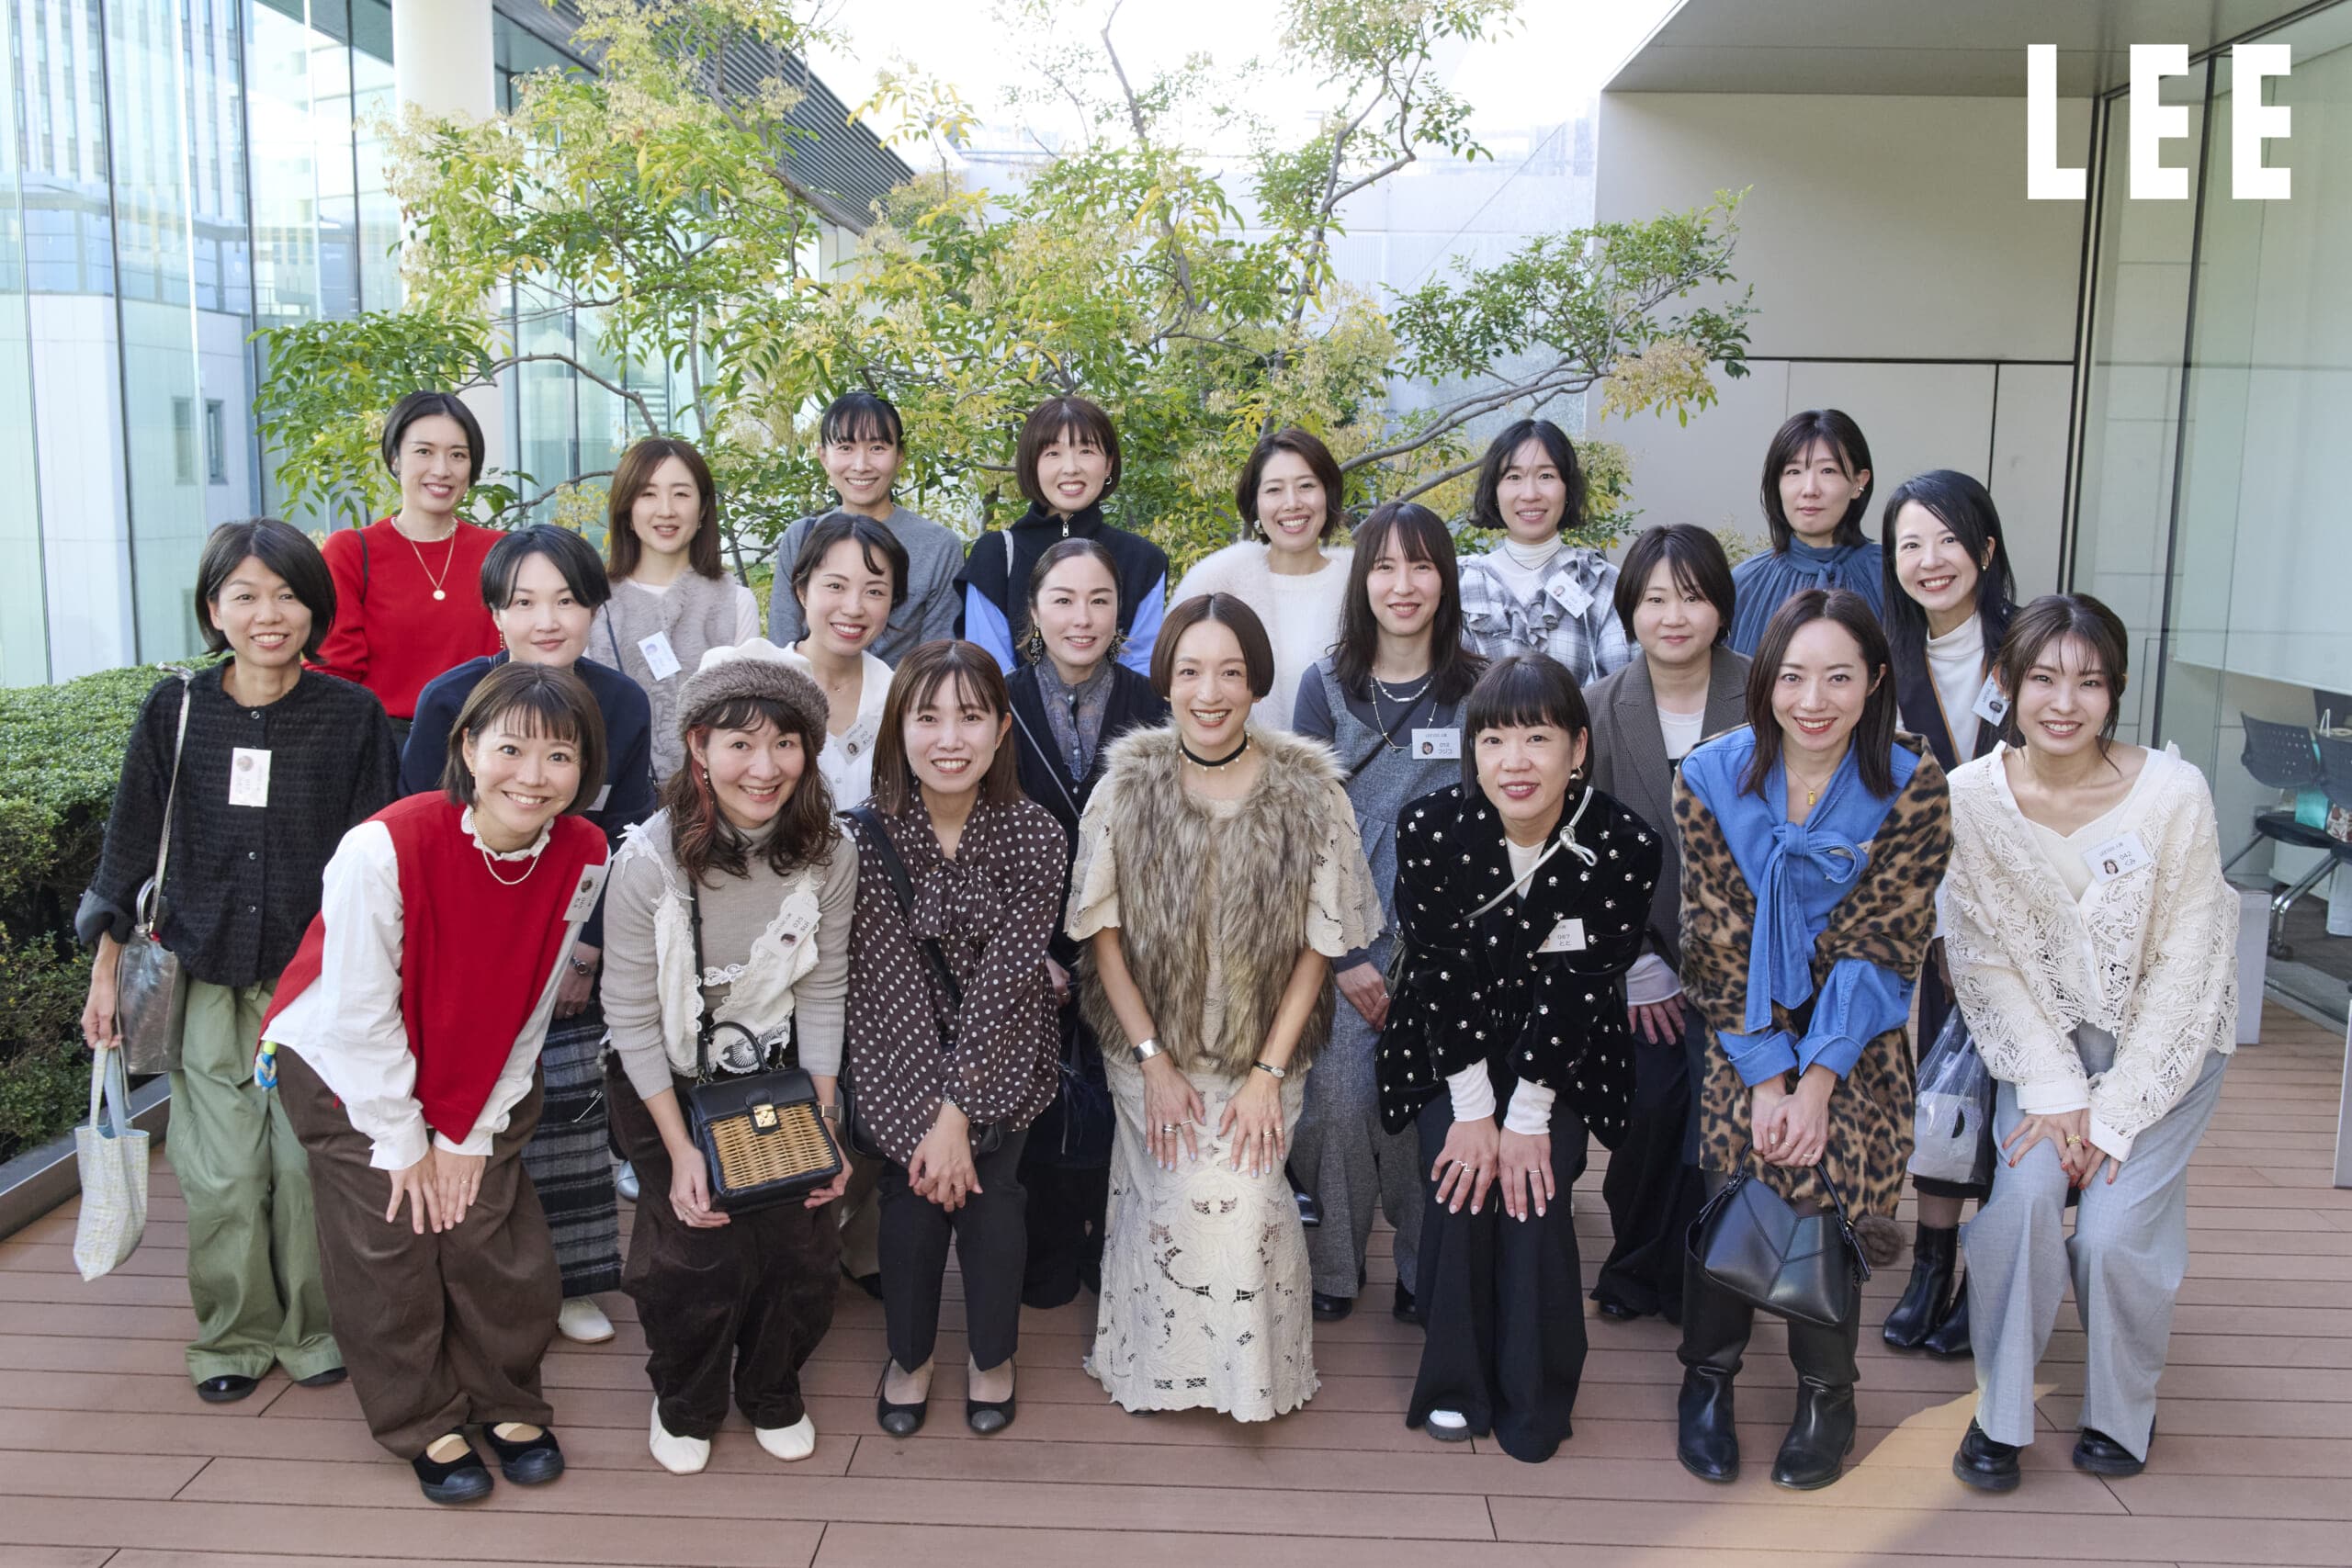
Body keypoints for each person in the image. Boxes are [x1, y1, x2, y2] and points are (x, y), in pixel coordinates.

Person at [261, 662, 610, 1504]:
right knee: (392, 1236)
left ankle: (504, 1396)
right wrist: (407, 1141)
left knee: (489, 1234)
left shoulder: (584, 852)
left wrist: (468, 1134)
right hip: (349, 1067)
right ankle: (420, 1416)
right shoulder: (385, 845)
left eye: (560, 756)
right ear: (467, 747)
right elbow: (359, 1013)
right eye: (511, 748)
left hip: (484, 1060)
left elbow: (535, 1002)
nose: (533, 775)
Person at [76, 519, 398, 1404]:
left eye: (288, 594)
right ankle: (232, 1333)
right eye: (245, 595)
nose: (269, 614)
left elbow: (381, 860)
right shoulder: (176, 708)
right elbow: (127, 848)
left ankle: (316, 1327)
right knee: (222, 1174)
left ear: (316, 609)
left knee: (305, 1168)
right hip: (203, 977)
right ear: (213, 609)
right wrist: (104, 974)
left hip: (314, 986)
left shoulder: (353, 716)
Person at [1942, 595, 2238, 1492]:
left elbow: (2190, 969)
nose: (2064, 703)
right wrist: (2057, 1091)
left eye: (2090, 682)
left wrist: (2110, 1118)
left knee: (2111, 1237)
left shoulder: (2174, 793)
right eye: (2042, 678)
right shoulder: (1970, 798)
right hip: (2037, 1059)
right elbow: (1982, 959)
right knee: (2025, 1204)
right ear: (2006, 682)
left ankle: (2121, 1410)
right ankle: (1998, 1414)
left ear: (2116, 691)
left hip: (2165, 1055)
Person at [1068, 593, 1382, 1421]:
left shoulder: (1311, 792)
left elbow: (1320, 946)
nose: (1209, 692)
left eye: (1231, 672)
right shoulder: (1125, 786)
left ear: (1256, 683)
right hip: (1150, 1046)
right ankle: (1153, 1365)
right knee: (1173, 1200)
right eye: (1191, 671)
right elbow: (1103, 938)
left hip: (1263, 1049)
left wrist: (1268, 1075)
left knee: (1245, 1208)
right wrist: (1152, 1062)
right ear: (1165, 680)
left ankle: (1252, 1379)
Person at [1671, 588, 1952, 1491]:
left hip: (1855, 1026)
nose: (1813, 700)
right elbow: (1713, 938)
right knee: (1735, 1172)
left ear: (1874, 681)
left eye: (1838, 677)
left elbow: (1885, 942)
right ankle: (1707, 1377)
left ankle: (1828, 1392)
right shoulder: (1710, 774)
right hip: (1743, 1019)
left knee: (1824, 1182)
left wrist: (1817, 1082)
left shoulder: (1912, 782)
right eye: (1792, 677)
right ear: (1764, 681)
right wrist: (1765, 1077)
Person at [1377, 656, 1660, 1461]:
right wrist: (1474, 1112)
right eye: (1494, 739)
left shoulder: (1622, 842)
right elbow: (1440, 974)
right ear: (1473, 751)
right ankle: (1454, 1383)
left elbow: (1581, 986)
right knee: (1460, 1177)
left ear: (1578, 748)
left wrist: (1528, 1115)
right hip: (1447, 1049)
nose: (1515, 761)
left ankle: (1535, 1393)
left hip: (1562, 1057)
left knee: (1533, 1189)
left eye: (1538, 737)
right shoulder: (1429, 828)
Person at [599, 646, 858, 1474]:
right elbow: (630, 1017)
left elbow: (824, 989)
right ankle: (686, 1399)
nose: (764, 766)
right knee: (695, 1249)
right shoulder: (646, 861)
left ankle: (772, 1386)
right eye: (739, 742)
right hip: (664, 1078)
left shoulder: (830, 852)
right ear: (699, 747)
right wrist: (680, 1150)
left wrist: (826, 1118)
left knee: (802, 1245)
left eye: (785, 742)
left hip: (776, 1068)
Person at [401, 525, 655, 1344]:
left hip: (572, 943)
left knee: (570, 1117)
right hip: (467, 948)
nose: (547, 620)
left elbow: (626, 837)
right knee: (468, 1117)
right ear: (496, 612)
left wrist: (588, 948)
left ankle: (571, 1283)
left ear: (594, 608)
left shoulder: (621, 704)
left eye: (568, 600)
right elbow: (420, 831)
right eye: (524, 601)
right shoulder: (452, 701)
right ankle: (472, 1289)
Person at [844, 642, 1068, 1438]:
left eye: (970, 717)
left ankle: (991, 1355)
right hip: (894, 1055)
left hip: (1005, 1053)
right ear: (897, 728)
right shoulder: (861, 837)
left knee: (993, 1200)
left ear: (1001, 729)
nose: (949, 738)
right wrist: (932, 1126)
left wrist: (958, 1117)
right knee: (910, 1199)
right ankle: (909, 1357)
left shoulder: (1036, 835)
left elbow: (1006, 986)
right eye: (927, 717)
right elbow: (889, 990)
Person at [1288, 502, 1486, 1324]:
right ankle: (1335, 1265)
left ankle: (1420, 1264)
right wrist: (1344, 958)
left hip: (1446, 945)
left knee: (1421, 1104)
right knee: (1336, 1102)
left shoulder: (1480, 689)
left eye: (1422, 565)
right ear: (1362, 581)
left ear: (1446, 579)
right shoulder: (1327, 686)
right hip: (1344, 935)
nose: (1403, 585)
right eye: (1384, 567)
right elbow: (1304, 831)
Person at [1582, 524, 1749, 1325]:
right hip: (1641, 954)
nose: (1673, 616)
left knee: (1716, 1117)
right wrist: (1634, 965)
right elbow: (1580, 847)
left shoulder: (1767, 694)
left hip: (1750, 960)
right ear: (1630, 611)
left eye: (1691, 596)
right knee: (1649, 1107)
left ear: (1721, 606)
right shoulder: (1599, 707)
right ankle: (1636, 1265)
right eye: (1653, 599)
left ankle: (1705, 1280)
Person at [1003, 539, 1170, 1308]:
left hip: (1130, 939)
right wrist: (1020, 948)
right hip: (1024, 935)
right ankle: (1042, 1252)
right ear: (1034, 611)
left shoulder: (1153, 702)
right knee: (1037, 1101)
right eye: (1063, 599)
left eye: (1100, 599)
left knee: (1122, 1097)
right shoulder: (998, 701)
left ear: (1121, 612)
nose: (1082, 617)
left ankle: (1114, 1250)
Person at [1878, 469, 2019, 1359]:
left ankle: (1988, 1271)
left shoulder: (2033, 646)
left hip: (2024, 916)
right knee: (1938, 1087)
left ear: (1986, 549)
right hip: (1930, 920)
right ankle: (1930, 1266)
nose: (1930, 560)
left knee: (2008, 1090)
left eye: (1948, 540)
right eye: (1910, 544)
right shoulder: (1887, 662)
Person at [310, 391, 504, 739]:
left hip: (486, 742)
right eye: (424, 452)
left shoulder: (501, 552)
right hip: (383, 745)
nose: (441, 469)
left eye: (457, 455)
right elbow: (332, 672)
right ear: (395, 458)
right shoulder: (351, 551)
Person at [955, 396, 1169, 678]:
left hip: (1120, 707)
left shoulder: (1144, 560)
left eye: (1086, 451)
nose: (1071, 468)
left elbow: (1142, 669)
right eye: (1053, 453)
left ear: (1108, 464)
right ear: (1032, 464)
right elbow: (987, 671)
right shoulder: (994, 555)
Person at [589, 436, 760, 782]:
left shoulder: (736, 602)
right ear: (626, 508)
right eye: (648, 494)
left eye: (681, 494)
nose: (666, 510)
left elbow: (749, 720)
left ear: (703, 508)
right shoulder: (593, 604)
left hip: (713, 796)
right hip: (612, 794)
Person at [1171, 426, 1354, 730]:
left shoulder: (1363, 585)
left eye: (1306, 485)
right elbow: (1177, 689)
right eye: (1274, 490)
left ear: (1328, 494)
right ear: (1254, 503)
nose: (1292, 503)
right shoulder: (1213, 585)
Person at [768, 391, 961, 663]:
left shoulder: (938, 546)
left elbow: (936, 660)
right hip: (804, 687)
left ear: (900, 455)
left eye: (877, 448)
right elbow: (782, 647)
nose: (861, 466)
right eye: (845, 448)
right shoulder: (802, 536)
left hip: (898, 690)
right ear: (823, 457)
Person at [1455, 419, 1630, 686]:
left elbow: (1620, 686)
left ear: (1568, 488)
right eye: (1514, 477)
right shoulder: (1462, 583)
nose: (1530, 494)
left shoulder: (1602, 582)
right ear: (1494, 491)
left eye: (1546, 476)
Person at [776, 513, 908, 809]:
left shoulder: (898, 696)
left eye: (874, 591)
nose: (853, 608)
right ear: (802, 591)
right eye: (836, 586)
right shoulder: (760, 684)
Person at [1726, 410, 1883, 656]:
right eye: (1794, 472)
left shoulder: (1889, 576)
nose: (1810, 489)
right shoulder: (1745, 583)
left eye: (1828, 470)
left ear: (1858, 482)